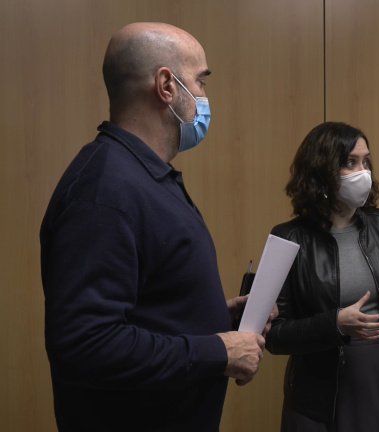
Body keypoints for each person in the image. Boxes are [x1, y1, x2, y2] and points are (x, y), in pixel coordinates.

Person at [39, 22, 270, 432]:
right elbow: (85, 345)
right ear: (166, 86)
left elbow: (146, 306)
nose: (203, 97)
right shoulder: (104, 190)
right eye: (200, 82)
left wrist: (216, 317)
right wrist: (217, 352)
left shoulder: (143, 176)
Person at [266, 122, 379, 431]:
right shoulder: (287, 237)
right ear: (321, 170)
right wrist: (334, 324)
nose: (363, 172)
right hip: (321, 403)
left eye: (366, 161)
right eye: (350, 162)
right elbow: (273, 335)